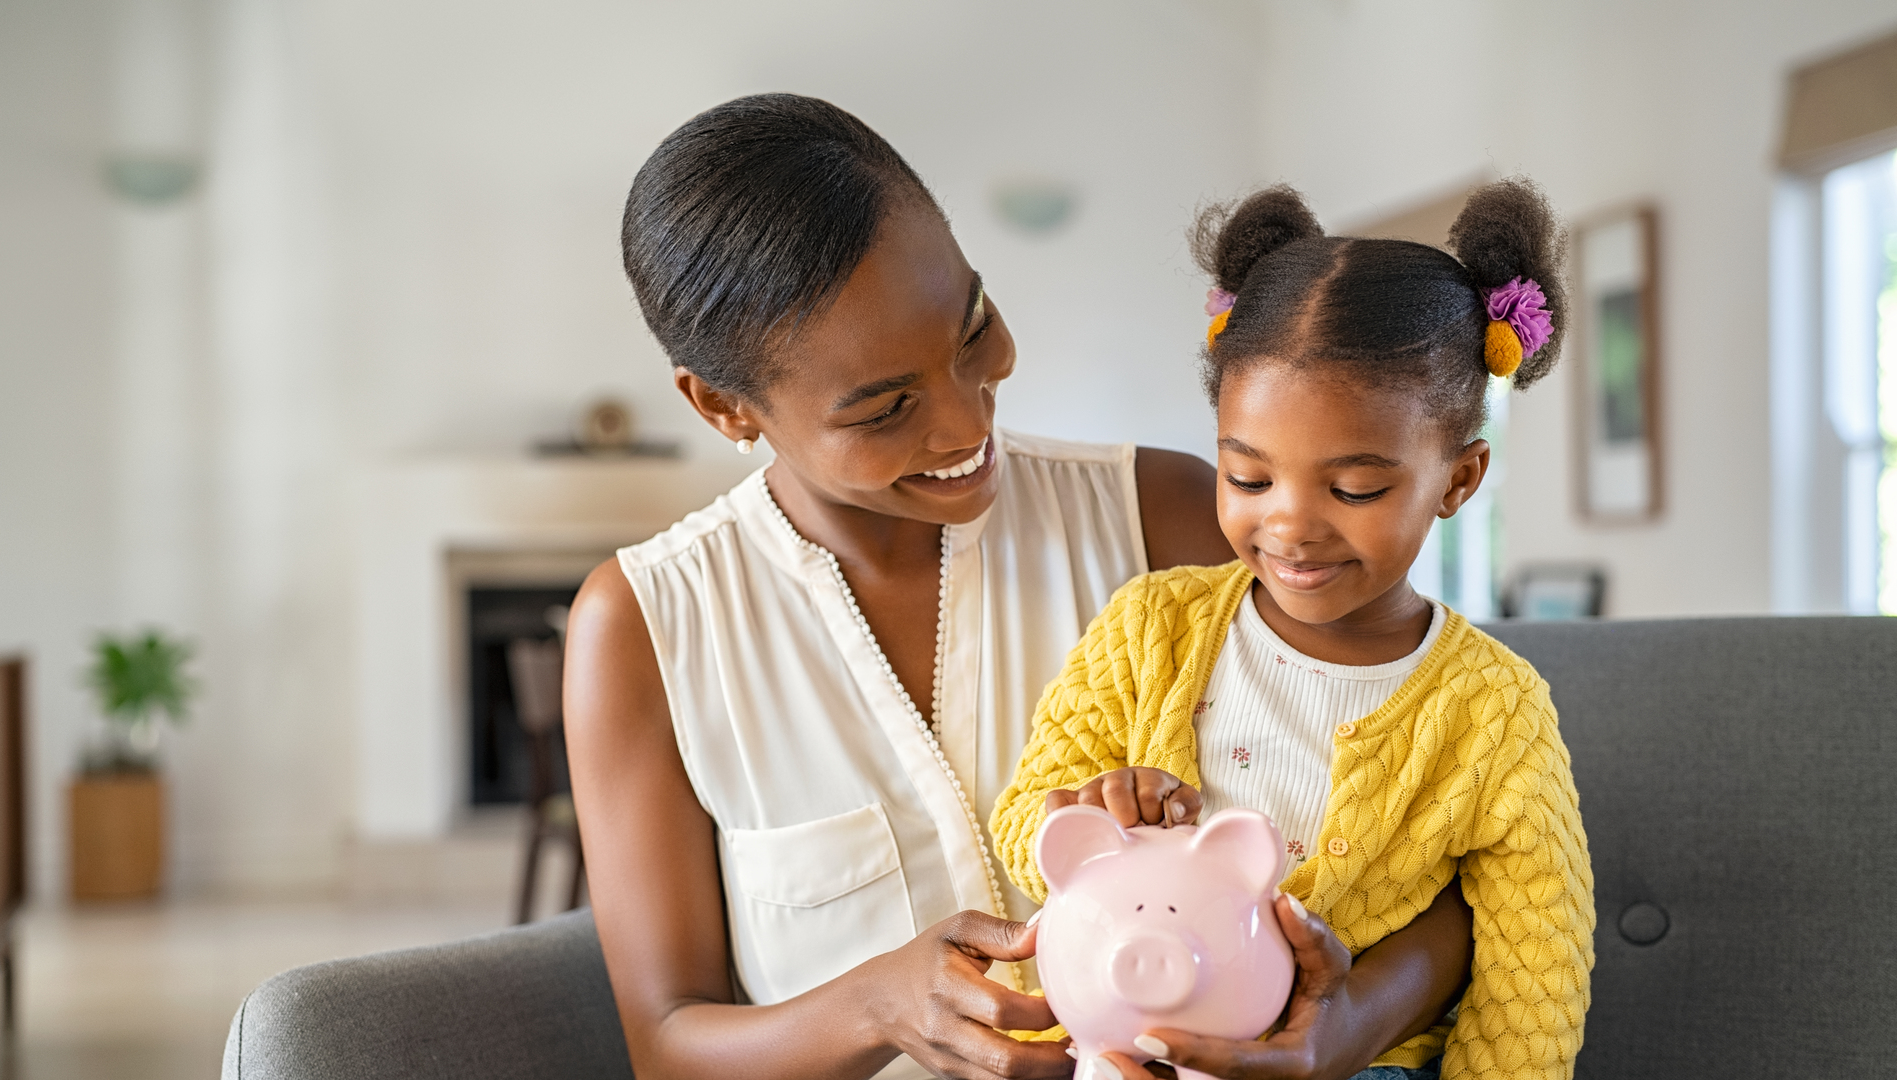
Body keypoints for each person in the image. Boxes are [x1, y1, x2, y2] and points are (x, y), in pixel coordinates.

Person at [563, 93, 1476, 1080]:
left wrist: (1354, 1023)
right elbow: (667, 1045)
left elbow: (1462, 836)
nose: (966, 425)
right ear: (723, 407)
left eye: (974, 330)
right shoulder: (645, 630)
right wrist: (873, 1003)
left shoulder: (1167, 519)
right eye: (886, 407)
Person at [990, 181, 1595, 1080]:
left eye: (1353, 490)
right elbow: (1023, 824)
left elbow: (1534, 971)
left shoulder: (1495, 712)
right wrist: (1094, 810)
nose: (1291, 526)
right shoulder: (1152, 625)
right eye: (1249, 478)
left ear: (1459, 481)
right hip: (1116, 1040)